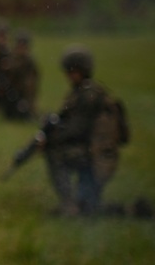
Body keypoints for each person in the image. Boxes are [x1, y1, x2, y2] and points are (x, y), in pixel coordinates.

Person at [36, 45, 126, 216]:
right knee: (89, 208)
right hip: (96, 155)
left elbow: (76, 130)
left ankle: (69, 206)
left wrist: (50, 139)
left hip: (96, 158)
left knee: (54, 151)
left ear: (81, 70)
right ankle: (83, 204)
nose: (68, 76)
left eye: (71, 71)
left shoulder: (88, 95)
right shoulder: (86, 91)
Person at [1, 30, 39, 121]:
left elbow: (31, 86)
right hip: (11, 95)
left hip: (22, 96)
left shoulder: (29, 63)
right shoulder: (10, 59)